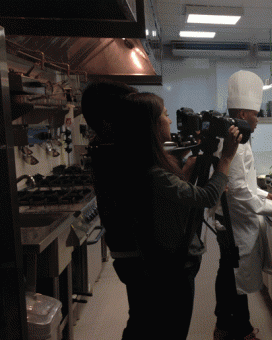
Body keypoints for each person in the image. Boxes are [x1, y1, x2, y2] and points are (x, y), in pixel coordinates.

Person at [84, 84, 242, 339]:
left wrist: (191, 165)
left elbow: (165, 193)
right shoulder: (144, 168)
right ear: (152, 126)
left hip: (139, 256)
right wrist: (225, 159)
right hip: (162, 261)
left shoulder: (123, 155)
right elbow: (205, 196)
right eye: (165, 115)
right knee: (161, 325)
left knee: (142, 321)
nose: (171, 121)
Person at [212, 70, 272, 340]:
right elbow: (239, 192)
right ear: (243, 115)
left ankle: (233, 328)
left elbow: (244, 183)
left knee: (233, 279)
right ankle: (233, 331)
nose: (258, 120)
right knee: (233, 280)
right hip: (235, 224)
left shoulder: (238, 140)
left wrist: (263, 194)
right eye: (256, 114)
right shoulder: (234, 143)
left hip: (234, 221)